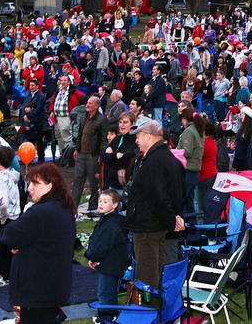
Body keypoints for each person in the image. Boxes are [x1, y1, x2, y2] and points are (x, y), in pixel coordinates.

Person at [1, 163, 77, 324]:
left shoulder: (40, 212)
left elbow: (8, 235)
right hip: (53, 286)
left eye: (35, 183)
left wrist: (19, 244)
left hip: (37, 290)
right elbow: (44, 240)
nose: (29, 188)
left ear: (50, 185)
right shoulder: (63, 209)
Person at [127, 119, 185, 288]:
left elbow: (160, 196)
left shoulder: (155, 161)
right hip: (154, 225)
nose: (136, 140)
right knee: (155, 269)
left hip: (148, 226)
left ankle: (149, 310)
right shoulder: (164, 157)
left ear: (148, 136)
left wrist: (172, 219)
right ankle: (156, 307)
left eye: (138, 136)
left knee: (147, 276)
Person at [85, 190, 128, 323]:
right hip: (107, 263)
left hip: (111, 265)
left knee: (105, 293)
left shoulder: (112, 225)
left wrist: (91, 255)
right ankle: (109, 314)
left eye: (105, 201)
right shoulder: (106, 221)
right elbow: (95, 240)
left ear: (114, 205)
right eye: (100, 201)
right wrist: (93, 258)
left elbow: (101, 246)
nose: (101, 204)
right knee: (108, 291)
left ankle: (106, 317)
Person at [0, 146, 21, 287]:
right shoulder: (12, 173)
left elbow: (2, 201)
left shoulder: (1, 178)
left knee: (3, 247)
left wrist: (1, 216)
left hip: (6, 217)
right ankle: (12, 274)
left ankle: (5, 275)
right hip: (15, 214)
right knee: (11, 246)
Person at [73, 96, 107, 211]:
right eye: (87, 102)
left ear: (96, 106)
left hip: (93, 155)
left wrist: (100, 156)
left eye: (90, 103)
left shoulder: (101, 120)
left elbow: (103, 140)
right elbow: (79, 134)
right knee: (77, 180)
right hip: (81, 153)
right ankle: (73, 206)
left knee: (93, 183)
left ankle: (92, 208)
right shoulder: (83, 117)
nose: (87, 105)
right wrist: (77, 149)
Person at [176, 108, 205, 216]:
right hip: (195, 169)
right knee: (189, 201)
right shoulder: (198, 130)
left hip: (187, 169)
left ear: (185, 119)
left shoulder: (188, 131)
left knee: (182, 199)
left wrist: (175, 152)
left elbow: (187, 152)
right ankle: (191, 226)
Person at [21, 79, 47, 163]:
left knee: (39, 141)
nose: (31, 87)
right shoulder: (28, 95)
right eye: (30, 85)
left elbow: (39, 109)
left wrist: (28, 116)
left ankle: (41, 158)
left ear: (37, 86)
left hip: (38, 121)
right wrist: (24, 116)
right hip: (28, 122)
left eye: (33, 85)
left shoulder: (41, 96)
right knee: (29, 141)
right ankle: (29, 158)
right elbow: (23, 106)